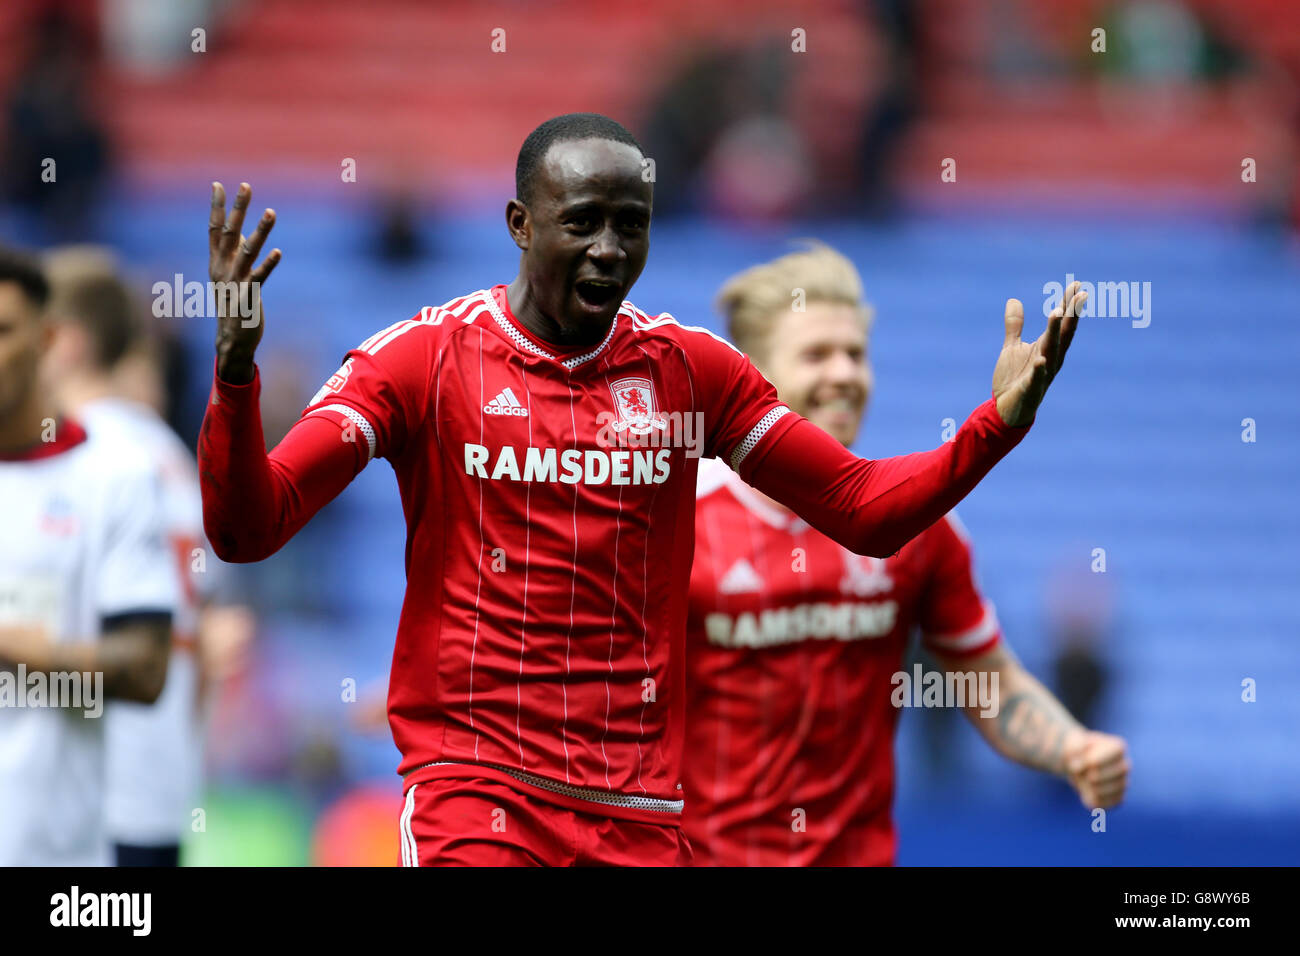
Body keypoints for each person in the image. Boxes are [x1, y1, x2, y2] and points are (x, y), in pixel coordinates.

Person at [198, 113, 1085, 866]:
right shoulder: (421, 362)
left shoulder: (690, 373)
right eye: (582, 221)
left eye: (634, 224)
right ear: (519, 222)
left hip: (642, 817)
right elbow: (249, 527)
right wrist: (236, 380)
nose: (611, 250)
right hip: (478, 797)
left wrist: (996, 422)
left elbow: (865, 509)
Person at [682, 243, 1130, 865]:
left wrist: (1071, 746)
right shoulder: (677, 525)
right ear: (753, 378)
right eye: (817, 354)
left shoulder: (923, 528)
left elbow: (987, 682)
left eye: (856, 354)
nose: (844, 373)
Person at [43, 246, 254, 867]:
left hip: (88, 788)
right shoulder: (165, 455)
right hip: (159, 780)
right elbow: (214, 627)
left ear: (68, 342)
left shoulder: (77, 456)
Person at [0, 246, 176, 866]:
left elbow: (147, 671)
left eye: (2, 331)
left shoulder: (115, 474)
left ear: (49, 339)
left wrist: (15, 650)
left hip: (62, 858)